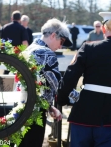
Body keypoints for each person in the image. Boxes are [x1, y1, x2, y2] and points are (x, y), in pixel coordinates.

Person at [57, 12, 111, 147]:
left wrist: (62, 99)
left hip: (84, 113)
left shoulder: (88, 48)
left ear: (104, 29)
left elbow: (70, 76)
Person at [18, 18, 72, 147]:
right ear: (53, 35)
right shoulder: (46, 53)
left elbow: (36, 86)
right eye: (62, 41)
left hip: (22, 108)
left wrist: (49, 106)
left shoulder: (29, 49)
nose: (60, 46)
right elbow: (58, 85)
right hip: (35, 112)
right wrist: (81, 97)